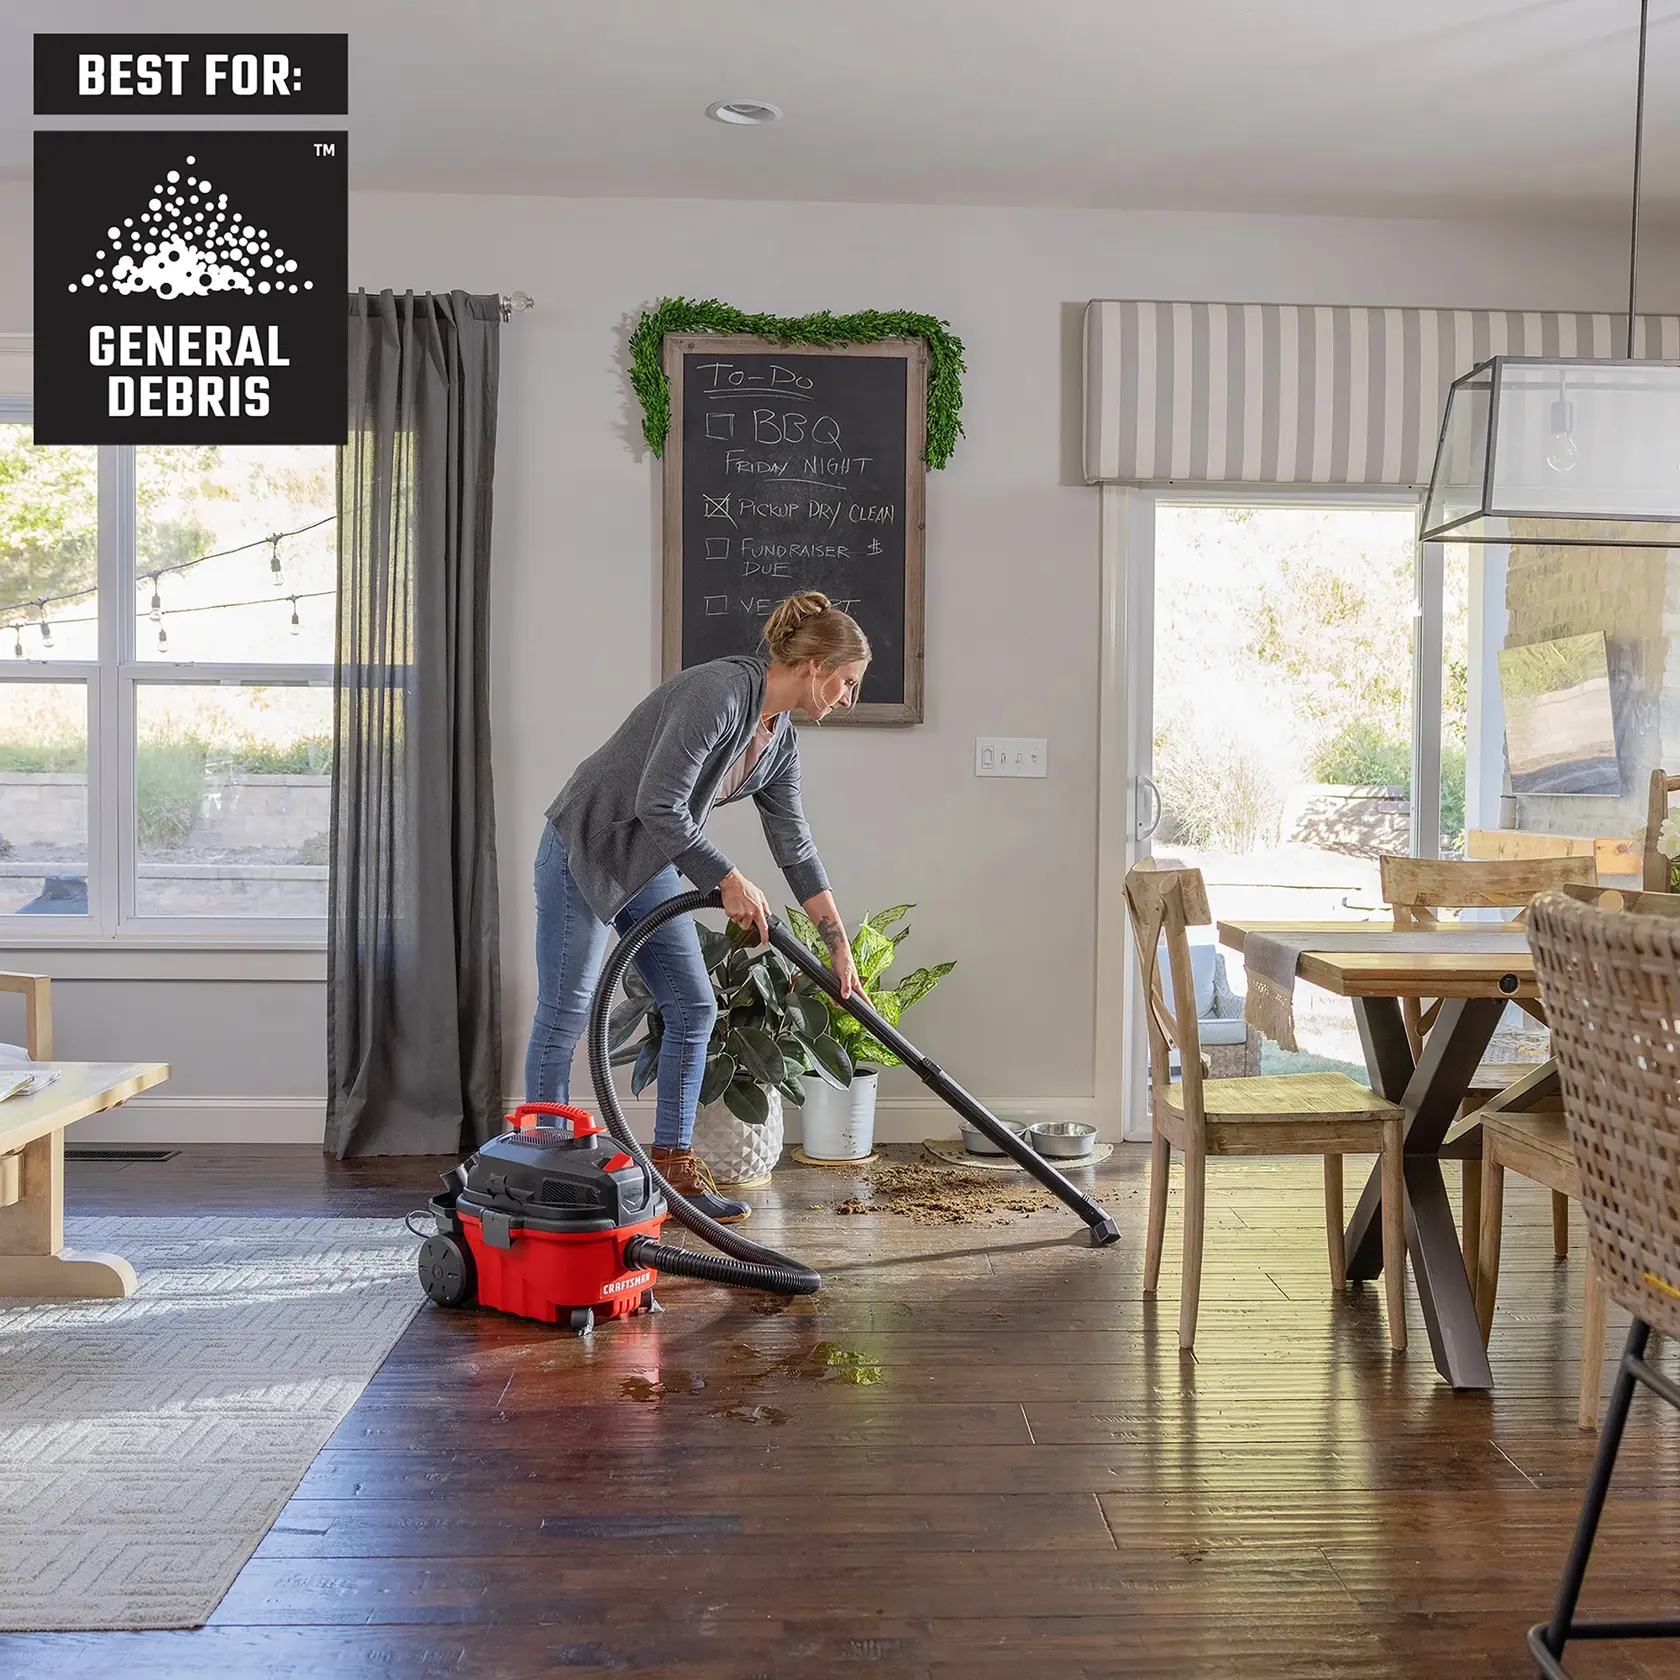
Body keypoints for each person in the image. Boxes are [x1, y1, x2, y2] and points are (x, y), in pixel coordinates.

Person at [528, 591, 868, 1222]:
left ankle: (673, 1170)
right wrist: (729, 878)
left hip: (650, 861)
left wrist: (837, 943)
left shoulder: (778, 741)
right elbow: (661, 802)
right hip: (588, 844)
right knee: (569, 1009)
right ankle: (541, 1166)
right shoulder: (720, 694)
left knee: (694, 1003)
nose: (849, 698)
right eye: (847, 682)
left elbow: (795, 845)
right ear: (816, 666)